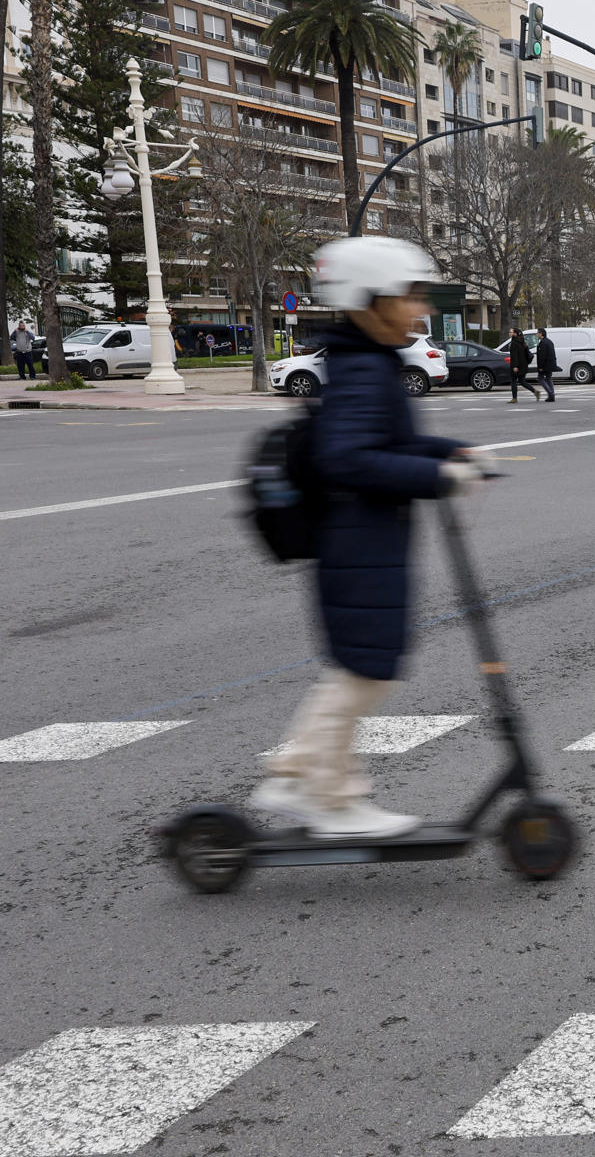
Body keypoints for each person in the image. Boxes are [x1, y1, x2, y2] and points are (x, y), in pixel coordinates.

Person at [250, 236, 486, 840]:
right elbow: (347, 459)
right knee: (365, 672)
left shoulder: (369, 363)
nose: (422, 310)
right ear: (370, 301)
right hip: (358, 545)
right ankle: (327, 797)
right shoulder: (361, 368)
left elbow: (389, 445)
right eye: (411, 297)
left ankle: (297, 772)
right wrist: (437, 475)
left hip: (366, 543)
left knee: (359, 670)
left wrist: (448, 452)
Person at [506, 327, 535, 402]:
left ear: (515, 334)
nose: (509, 333)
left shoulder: (514, 343)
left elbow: (514, 356)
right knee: (522, 381)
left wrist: (515, 366)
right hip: (524, 365)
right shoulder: (522, 342)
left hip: (517, 365)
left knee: (513, 381)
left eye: (511, 332)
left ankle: (514, 398)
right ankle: (535, 391)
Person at [534, 326, 558, 403]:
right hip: (550, 364)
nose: (536, 334)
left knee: (540, 378)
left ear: (541, 334)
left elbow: (542, 356)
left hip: (545, 365)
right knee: (548, 378)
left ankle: (550, 393)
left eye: (537, 333)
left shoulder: (543, 343)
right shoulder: (549, 341)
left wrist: (540, 366)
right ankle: (552, 395)